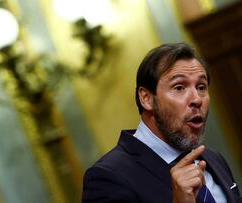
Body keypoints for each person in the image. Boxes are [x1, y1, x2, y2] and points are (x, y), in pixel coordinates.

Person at [82, 42, 241, 203]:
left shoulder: (214, 158)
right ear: (146, 98)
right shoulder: (107, 177)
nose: (196, 99)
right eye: (179, 87)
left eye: (201, 87)